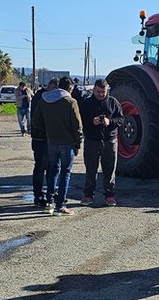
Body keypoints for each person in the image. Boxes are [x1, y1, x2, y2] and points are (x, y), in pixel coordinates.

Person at [31, 76, 82, 216]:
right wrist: (78, 143)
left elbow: (35, 122)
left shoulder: (44, 100)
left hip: (51, 141)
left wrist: (48, 130)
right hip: (67, 143)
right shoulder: (71, 102)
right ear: (70, 88)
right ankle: (61, 205)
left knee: (53, 171)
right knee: (65, 173)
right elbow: (77, 126)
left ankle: (50, 203)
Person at [79, 78, 124, 206]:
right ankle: (88, 195)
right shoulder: (86, 104)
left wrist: (110, 122)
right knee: (91, 170)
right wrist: (91, 122)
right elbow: (80, 121)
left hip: (110, 141)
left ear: (107, 91)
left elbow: (121, 119)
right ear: (94, 90)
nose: (101, 94)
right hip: (92, 141)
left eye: (103, 92)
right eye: (98, 91)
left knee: (110, 170)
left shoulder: (113, 103)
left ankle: (109, 195)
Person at [30, 78, 58, 207]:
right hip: (40, 138)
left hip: (50, 138)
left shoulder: (45, 98)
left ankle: (50, 193)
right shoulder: (40, 98)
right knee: (41, 167)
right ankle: (38, 195)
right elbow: (36, 120)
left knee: (53, 168)